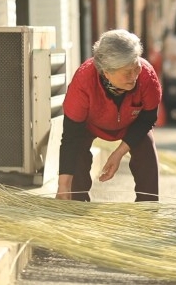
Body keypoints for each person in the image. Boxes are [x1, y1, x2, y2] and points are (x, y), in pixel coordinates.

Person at [55, 29, 162, 202]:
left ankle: (148, 210)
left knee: (146, 146)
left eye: (136, 67)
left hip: (132, 124)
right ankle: (76, 207)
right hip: (90, 125)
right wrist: (63, 184)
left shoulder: (147, 76)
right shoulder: (83, 81)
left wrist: (118, 153)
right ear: (106, 72)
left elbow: (147, 119)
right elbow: (70, 137)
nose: (135, 75)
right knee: (78, 155)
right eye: (127, 72)